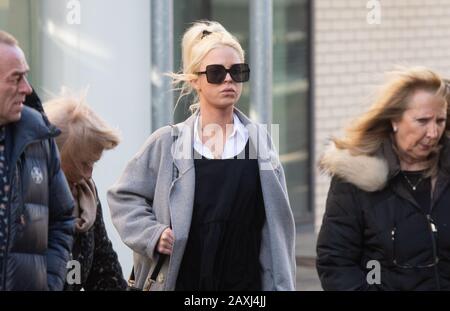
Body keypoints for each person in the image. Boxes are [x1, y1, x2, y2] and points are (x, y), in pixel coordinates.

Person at [108, 20, 295, 291]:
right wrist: (152, 234)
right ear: (195, 79)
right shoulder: (169, 142)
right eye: (217, 73)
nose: (229, 79)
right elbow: (123, 196)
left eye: (237, 71)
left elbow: (276, 227)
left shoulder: (259, 142)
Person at [317, 67, 450, 290]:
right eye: (422, 121)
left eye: (440, 120)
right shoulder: (355, 177)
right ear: (395, 120)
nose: (433, 133)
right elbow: (336, 263)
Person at [0, 30, 74, 290]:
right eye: (16, 78)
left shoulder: (38, 136)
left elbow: (63, 218)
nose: (27, 88)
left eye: (26, 76)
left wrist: (49, 282)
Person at [44, 96, 127, 290]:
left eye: (93, 163)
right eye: (83, 163)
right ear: (55, 155)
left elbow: (104, 269)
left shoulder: (86, 193)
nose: (88, 174)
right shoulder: (27, 199)